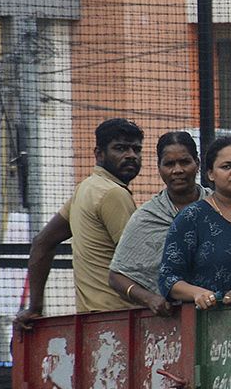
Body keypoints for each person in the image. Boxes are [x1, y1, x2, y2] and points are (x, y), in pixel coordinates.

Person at [16, 117, 144, 330]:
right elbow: (139, 263)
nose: (131, 155)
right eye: (120, 148)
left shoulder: (86, 189)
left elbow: (42, 242)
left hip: (90, 322)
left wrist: (35, 307)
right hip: (122, 320)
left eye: (136, 149)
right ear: (99, 154)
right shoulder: (113, 194)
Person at [157, 137, 231, 309]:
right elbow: (168, 278)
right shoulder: (192, 217)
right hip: (209, 320)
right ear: (210, 173)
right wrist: (197, 293)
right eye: (227, 166)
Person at [109, 132, 207, 313]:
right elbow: (116, 277)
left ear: (197, 164)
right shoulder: (148, 216)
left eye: (185, 162)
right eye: (169, 164)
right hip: (170, 320)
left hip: (221, 310)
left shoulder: (218, 204)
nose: (177, 170)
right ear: (159, 168)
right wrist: (149, 298)